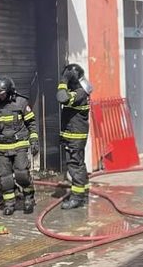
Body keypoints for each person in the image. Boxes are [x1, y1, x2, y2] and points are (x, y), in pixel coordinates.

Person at [0, 77, 39, 215]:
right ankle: (9, 203)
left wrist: (34, 140)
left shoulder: (21, 102)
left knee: (21, 174)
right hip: (0, 147)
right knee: (5, 178)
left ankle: (28, 198)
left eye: (2, 93)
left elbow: (31, 123)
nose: (0, 95)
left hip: (19, 144)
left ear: (9, 91)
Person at [56, 63, 93, 210]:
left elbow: (62, 98)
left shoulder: (79, 92)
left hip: (75, 136)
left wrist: (63, 81)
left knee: (74, 165)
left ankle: (77, 197)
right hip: (74, 134)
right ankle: (84, 193)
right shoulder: (82, 89)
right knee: (79, 164)